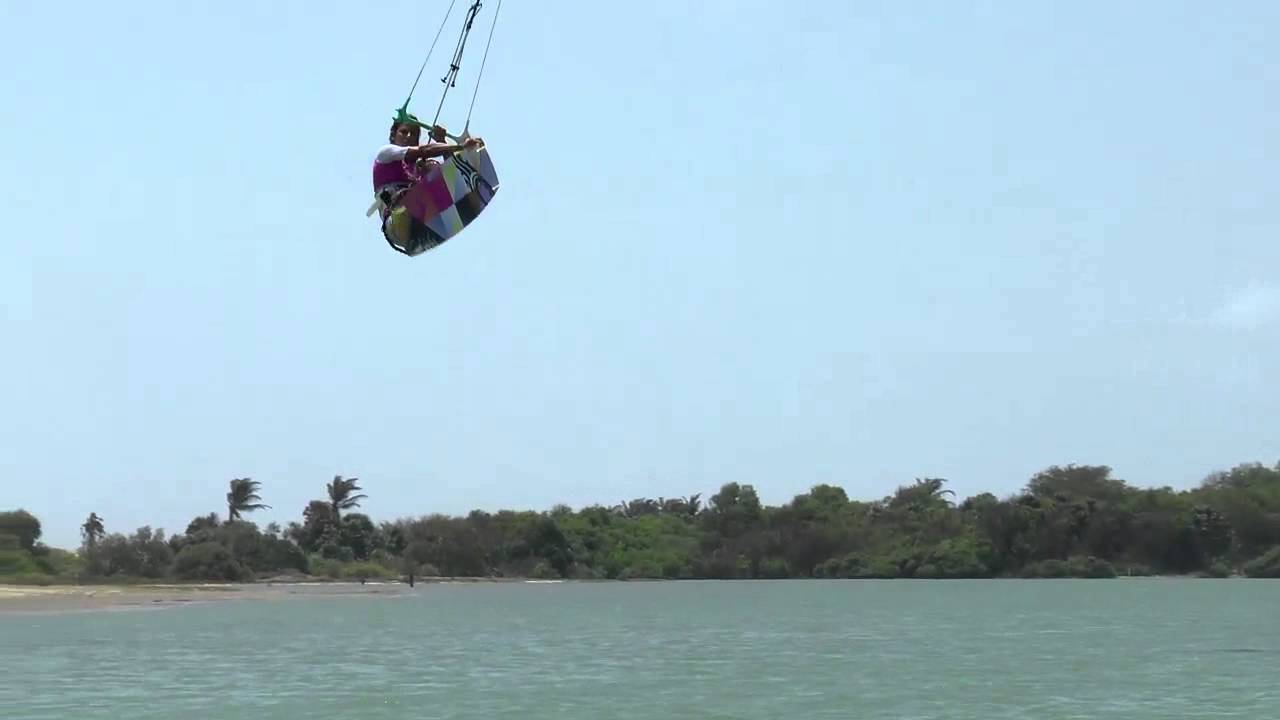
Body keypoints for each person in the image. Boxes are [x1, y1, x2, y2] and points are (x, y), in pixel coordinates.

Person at [371, 113, 484, 254]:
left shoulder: (419, 167)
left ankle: (469, 198)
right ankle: (466, 195)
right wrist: (460, 147)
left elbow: (453, 174)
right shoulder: (385, 153)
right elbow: (424, 151)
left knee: (437, 170)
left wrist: (442, 140)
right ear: (394, 135)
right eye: (404, 132)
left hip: (420, 227)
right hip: (397, 223)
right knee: (434, 172)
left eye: (413, 134)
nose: (408, 136)